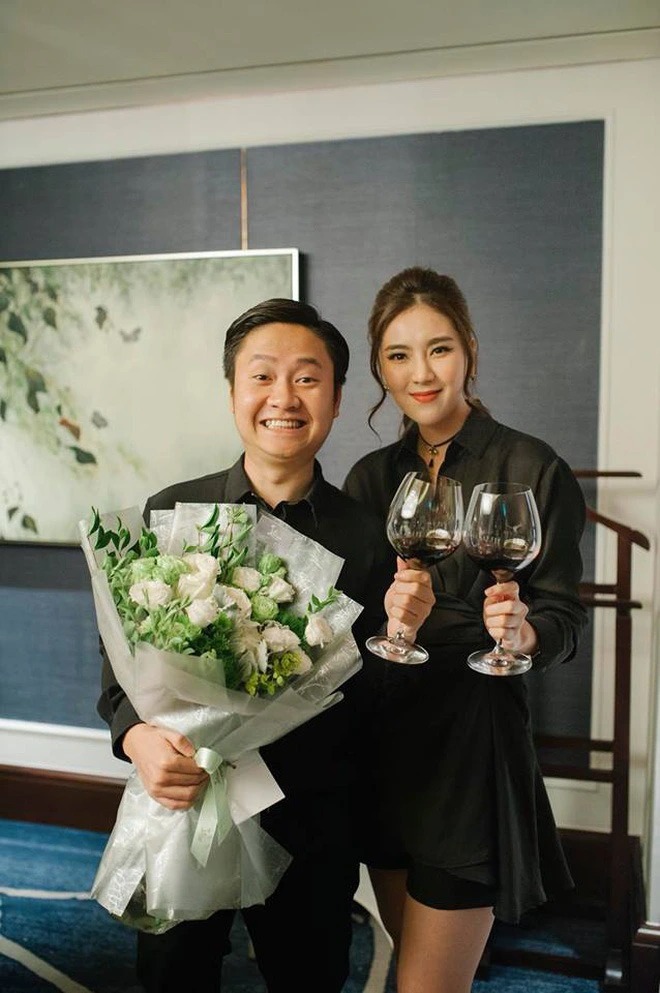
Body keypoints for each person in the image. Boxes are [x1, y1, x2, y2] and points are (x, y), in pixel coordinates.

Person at [97, 297, 435, 993]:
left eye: (307, 378)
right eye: (262, 376)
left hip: (312, 815)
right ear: (232, 393)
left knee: (308, 975)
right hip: (186, 798)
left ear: (336, 400)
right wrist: (138, 738)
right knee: (171, 975)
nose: (284, 397)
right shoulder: (172, 512)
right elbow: (117, 659)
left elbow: (378, 703)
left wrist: (403, 633)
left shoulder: (369, 539)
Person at [343, 267, 588, 993]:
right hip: (386, 739)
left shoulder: (531, 465)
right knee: (410, 958)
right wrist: (388, 618)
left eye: (439, 349)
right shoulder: (368, 478)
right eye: (398, 355)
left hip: (472, 744)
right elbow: (344, 622)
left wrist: (522, 634)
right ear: (380, 367)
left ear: (470, 350)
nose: (420, 374)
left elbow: (564, 616)